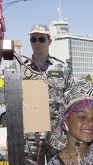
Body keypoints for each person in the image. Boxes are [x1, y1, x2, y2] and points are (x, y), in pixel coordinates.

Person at [23, 24, 74, 158]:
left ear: (49, 41)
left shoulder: (61, 67)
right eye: (33, 39)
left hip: (57, 133)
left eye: (41, 39)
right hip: (31, 135)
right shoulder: (21, 69)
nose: (37, 42)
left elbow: (72, 98)